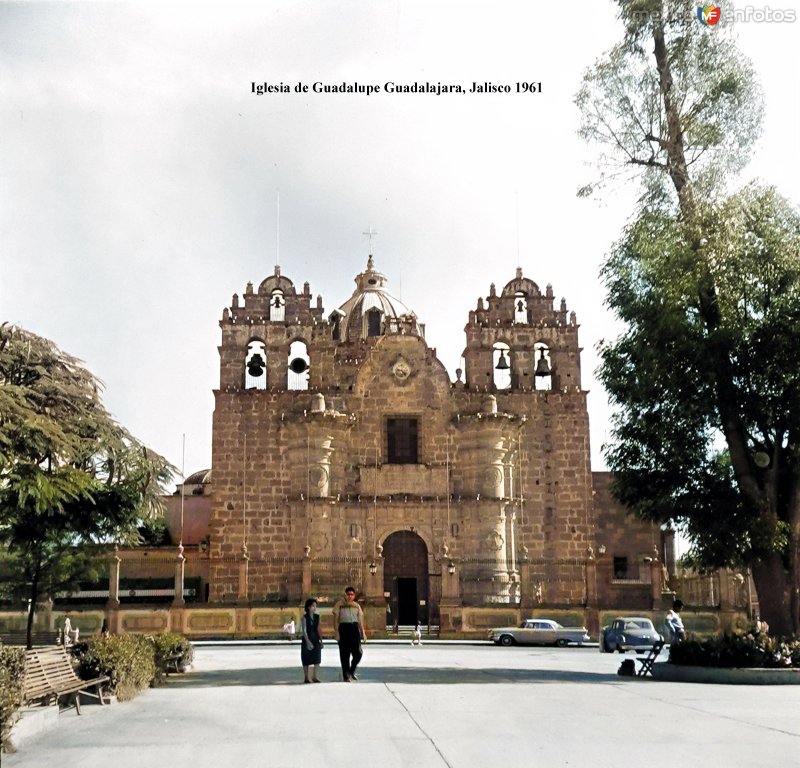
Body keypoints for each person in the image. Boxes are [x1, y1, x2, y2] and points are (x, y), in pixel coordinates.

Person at [333, 586, 367, 682]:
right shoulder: (339, 605)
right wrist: (336, 632)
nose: (349, 596)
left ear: (354, 595)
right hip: (343, 628)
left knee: (358, 653)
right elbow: (335, 619)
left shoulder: (357, 606)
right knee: (344, 654)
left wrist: (363, 632)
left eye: (351, 594)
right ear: (345, 595)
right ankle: (346, 675)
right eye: (348, 594)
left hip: (354, 629)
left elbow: (360, 620)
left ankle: (351, 671)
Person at [300, 598, 323, 683]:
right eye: (313, 606)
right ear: (309, 607)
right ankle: (306, 677)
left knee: (317, 658)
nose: (314, 608)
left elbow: (318, 629)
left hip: (315, 638)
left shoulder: (317, 617)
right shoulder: (304, 617)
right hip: (307, 639)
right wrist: (308, 642)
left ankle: (315, 676)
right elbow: (304, 631)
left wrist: (321, 640)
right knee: (306, 658)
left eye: (315, 606)